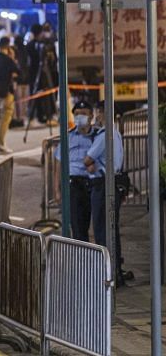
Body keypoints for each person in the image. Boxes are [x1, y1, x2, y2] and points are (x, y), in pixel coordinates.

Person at [84, 101, 127, 282]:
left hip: (103, 186)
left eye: (99, 113)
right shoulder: (115, 133)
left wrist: (90, 163)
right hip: (113, 183)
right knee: (111, 228)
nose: (97, 116)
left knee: (102, 229)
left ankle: (107, 272)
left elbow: (87, 159)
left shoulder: (104, 135)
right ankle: (116, 270)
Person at [54, 101, 97, 242]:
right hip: (73, 184)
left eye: (83, 114)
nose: (80, 117)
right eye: (77, 114)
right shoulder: (68, 137)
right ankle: (82, 255)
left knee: (94, 224)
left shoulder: (97, 136)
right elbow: (59, 164)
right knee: (77, 226)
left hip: (92, 183)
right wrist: (57, 190)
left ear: (91, 116)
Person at [0, 37, 20, 154]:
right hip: (6, 91)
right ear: (7, 46)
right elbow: (18, 73)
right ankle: (0, 142)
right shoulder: (8, 60)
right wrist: (12, 59)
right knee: (6, 115)